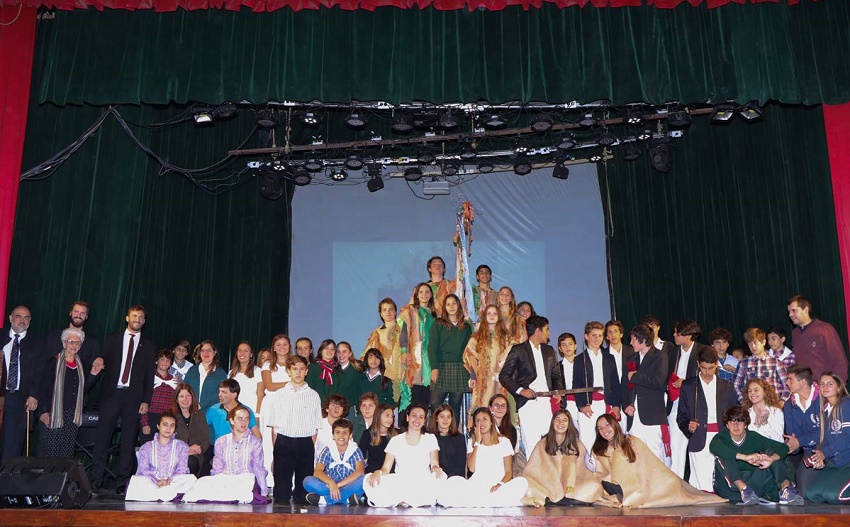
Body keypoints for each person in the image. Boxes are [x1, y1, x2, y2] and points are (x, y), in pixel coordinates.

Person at [589, 413, 726, 508]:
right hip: (613, 487)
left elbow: (648, 464)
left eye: (607, 425)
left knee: (673, 484)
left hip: (638, 485)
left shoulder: (631, 441)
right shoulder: (598, 449)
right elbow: (600, 472)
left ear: (614, 425)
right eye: (600, 428)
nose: (604, 430)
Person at [91, 305, 156, 494]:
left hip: (133, 399)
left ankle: (122, 484)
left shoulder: (149, 346)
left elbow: (150, 375)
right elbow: (102, 361)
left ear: (144, 321)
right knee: (103, 439)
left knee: (128, 441)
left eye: (141, 317)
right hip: (111, 395)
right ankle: (96, 481)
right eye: (134, 316)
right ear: (127, 318)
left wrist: (146, 400)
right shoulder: (112, 339)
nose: (137, 319)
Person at [710, 405, 803, 505]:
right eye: (732, 421)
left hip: (752, 488)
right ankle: (744, 490)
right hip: (728, 488)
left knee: (770, 453)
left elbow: (782, 447)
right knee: (724, 455)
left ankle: (786, 490)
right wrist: (745, 457)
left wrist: (770, 459)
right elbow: (714, 447)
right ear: (727, 425)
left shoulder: (752, 437)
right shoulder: (721, 438)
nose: (735, 425)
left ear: (745, 424)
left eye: (739, 421)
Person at [499, 315, 564, 456]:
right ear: (538, 331)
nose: (550, 333)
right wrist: (521, 390)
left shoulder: (549, 351)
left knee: (550, 444)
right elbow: (503, 376)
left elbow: (556, 376)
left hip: (547, 402)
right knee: (532, 447)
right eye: (547, 329)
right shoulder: (519, 350)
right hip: (528, 403)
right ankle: (533, 477)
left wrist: (557, 391)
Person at [676, 346, 739, 492]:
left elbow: (735, 413)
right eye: (703, 368)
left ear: (716, 364)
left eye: (711, 368)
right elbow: (681, 416)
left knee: (722, 478)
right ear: (698, 364)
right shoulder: (688, 386)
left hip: (722, 436)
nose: (707, 372)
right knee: (701, 485)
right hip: (698, 437)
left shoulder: (727, 387)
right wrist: (688, 426)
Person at [439, 407, 527, 507]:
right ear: (475, 424)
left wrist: (500, 484)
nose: (481, 423)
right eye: (478, 420)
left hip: (498, 486)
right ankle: (490, 501)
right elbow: (471, 468)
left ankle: (486, 501)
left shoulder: (504, 442)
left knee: (522, 482)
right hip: (477, 486)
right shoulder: (471, 442)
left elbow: (508, 472)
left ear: (491, 422)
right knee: (454, 481)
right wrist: (477, 442)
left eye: (484, 419)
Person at [264, 354, 322, 505]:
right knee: (281, 488)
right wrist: (277, 448)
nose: (298, 372)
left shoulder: (314, 396)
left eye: (302, 369)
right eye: (294, 369)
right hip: (283, 441)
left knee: (303, 490)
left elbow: (315, 428)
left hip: (305, 442)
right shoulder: (279, 395)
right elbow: (274, 427)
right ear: (288, 371)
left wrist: (309, 444)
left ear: (306, 371)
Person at [363, 403, 445, 507]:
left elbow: (435, 464)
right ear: (407, 417)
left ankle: (409, 500)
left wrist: (436, 468)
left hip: (423, 482)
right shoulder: (395, 440)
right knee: (372, 481)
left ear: (424, 421)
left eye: (421, 417)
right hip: (401, 482)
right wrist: (377, 473)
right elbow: (386, 469)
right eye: (414, 416)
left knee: (440, 478)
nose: (417, 420)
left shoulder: (430, 439)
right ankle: (407, 499)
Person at [37, 327, 103, 458]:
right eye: (70, 342)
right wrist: (44, 411)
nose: (74, 345)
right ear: (64, 343)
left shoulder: (81, 365)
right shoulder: (53, 362)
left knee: (66, 454)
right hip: (53, 414)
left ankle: (62, 478)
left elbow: (82, 390)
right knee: (49, 453)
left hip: (72, 416)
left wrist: (93, 375)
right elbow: (43, 388)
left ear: (80, 346)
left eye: (77, 343)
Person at [183, 405, 268, 504]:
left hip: (245, 479)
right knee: (200, 484)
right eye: (240, 419)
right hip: (225, 478)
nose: (244, 422)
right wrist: (214, 482)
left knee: (241, 492)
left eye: (247, 419)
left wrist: (264, 492)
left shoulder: (255, 442)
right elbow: (217, 468)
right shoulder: (221, 441)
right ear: (232, 420)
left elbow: (259, 468)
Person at [522, 409, 604, 507]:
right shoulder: (543, 443)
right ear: (553, 422)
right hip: (548, 485)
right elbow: (532, 470)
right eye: (557, 419)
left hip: (573, 486)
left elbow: (586, 468)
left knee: (594, 485)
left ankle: (565, 499)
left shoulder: (576, 444)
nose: (560, 423)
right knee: (526, 484)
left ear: (569, 424)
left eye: (565, 420)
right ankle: (565, 499)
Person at [666, 319, 712, 477]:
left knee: (697, 448)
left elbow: (709, 375)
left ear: (688, 335)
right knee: (675, 446)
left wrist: (686, 382)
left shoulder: (703, 350)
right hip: (674, 404)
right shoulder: (672, 351)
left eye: (677, 333)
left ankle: (698, 484)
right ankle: (676, 483)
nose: (674, 335)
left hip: (695, 405)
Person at [622, 324, 668, 463]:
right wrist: (626, 405)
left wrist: (636, 376)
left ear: (642, 340)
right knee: (634, 454)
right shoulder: (631, 358)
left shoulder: (660, 356)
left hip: (652, 415)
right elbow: (624, 386)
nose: (630, 343)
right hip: (633, 416)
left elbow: (659, 382)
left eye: (633, 340)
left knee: (654, 455)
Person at [2, 305, 43, 461]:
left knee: (11, 444)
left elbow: (40, 372)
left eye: (26, 317)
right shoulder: (1, 337)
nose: (22, 320)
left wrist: (34, 394)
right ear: (10, 318)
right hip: (1, 395)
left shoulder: (37, 342)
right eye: (18, 316)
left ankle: (5, 480)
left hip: (20, 399)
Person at [125, 412, 196, 502]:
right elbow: (143, 469)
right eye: (165, 425)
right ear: (158, 426)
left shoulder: (181, 446)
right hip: (152, 483)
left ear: (175, 429)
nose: (168, 428)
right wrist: (157, 481)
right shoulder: (147, 447)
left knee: (190, 479)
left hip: (173, 482)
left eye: (172, 425)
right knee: (137, 481)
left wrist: (168, 481)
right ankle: (170, 496)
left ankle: (157, 496)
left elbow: (182, 469)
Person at [573, 321, 621, 452]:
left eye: (600, 335)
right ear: (586, 336)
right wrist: (582, 405)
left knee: (609, 442)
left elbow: (615, 384)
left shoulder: (609, 358)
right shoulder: (579, 359)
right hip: (588, 407)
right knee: (587, 442)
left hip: (606, 404)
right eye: (594, 335)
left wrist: (616, 405)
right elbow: (576, 385)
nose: (597, 339)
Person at [805, 372, 850, 503]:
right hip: (835, 462)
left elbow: (847, 438)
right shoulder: (825, 409)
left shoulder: (846, 404)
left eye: (830, 384)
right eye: (822, 384)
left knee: (833, 496)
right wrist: (821, 459)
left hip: (848, 461)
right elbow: (825, 439)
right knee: (813, 494)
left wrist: (825, 453)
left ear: (839, 387)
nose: (825, 387)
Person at [428, 294, 473, 417]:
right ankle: (435, 434)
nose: (451, 306)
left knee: (455, 405)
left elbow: (470, 350)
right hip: (441, 367)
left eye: (454, 303)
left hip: (459, 368)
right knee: (434, 403)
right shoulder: (438, 324)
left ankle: (453, 435)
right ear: (444, 307)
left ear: (459, 305)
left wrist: (470, 371)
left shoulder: (466, 327)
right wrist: (434, 368)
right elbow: (432, 347)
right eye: (448, 304)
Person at [304, 418, 366, 505]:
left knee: (365, 479)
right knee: (307, 481)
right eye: (337, 432)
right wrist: (331, 483)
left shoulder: (355, 450)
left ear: (350, 435)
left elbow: (360, 472)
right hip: (329, 485)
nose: (341, 436)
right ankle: (346, 498)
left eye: (345, 432)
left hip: (348, 484)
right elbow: (317, 472)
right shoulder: (328, 449)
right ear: (333, 435)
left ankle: (324, 500)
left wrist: (337, 486)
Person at [464, 305, 511, 419]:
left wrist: (501, 369)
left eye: (494, 313)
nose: (491, 316)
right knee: (481, 406)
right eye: (489, 313)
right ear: (484, 317)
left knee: (498, 404)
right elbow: (469, 353)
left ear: (498, 316)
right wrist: (474, 376)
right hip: (482, 379)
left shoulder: (504, 337)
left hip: (499, 378)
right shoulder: (477, 336)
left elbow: (509, 354)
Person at [787, 295, 848, 381]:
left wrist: (838, 385)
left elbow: (840, 361)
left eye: (794, 311)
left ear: (806, 310)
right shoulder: (795, 333)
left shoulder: (825, 329)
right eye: (789, 311)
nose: (790, 315)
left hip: (824, 387)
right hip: (805, 389)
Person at [258, 334, 291, 491]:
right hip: (271, 404)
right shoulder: (267, 365)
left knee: (286, 441)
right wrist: (291, 383)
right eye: (278, 344)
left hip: (289, 404)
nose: (282, 347)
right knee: (268, 441)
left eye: (285, 344)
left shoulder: (294, 364)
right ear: (274, 347)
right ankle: (269, 481)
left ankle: (286, 480)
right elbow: (269, 386)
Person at [782, 365, 820, 496]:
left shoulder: (823, 399)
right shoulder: (789, 405)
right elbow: (794, 437)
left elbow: (826, 433)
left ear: (803, 381)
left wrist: (799, 441)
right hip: (809, 452)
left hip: (830, 450)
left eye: (790, 379)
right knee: (804, 492)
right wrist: (792, 445)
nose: (787, 383)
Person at [398, 283, 437, 411]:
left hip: (429, 359)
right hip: (413, 356)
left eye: (427, 292)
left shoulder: (435, 315)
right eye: (421, 292)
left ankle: (423, 426)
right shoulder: (409, 311)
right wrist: (404, 351)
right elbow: (404, 332)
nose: (424, 295)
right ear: (416, 294)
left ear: (431, 295)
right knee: (413, 392)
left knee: (426, 395)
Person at [43, 301, 102, 382]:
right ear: (70, 313)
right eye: (76, 312)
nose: (78, 315)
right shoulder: (53, 335)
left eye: (82, 313)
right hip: (50, 389)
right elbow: (42, 364)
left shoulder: (93, 343)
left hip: (79, 392)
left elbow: (92, 373)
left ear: (86, 316)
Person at [733, 327, 790, 402]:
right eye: (750, 344)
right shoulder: (743, 363)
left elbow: (787, 385)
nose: (753, 346)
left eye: (756, 343)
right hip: (752, 405)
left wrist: (782, 401)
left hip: (772, 404)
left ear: (763, 342)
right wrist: (742, 401)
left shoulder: (776, 362)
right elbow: (736, 385)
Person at [364, 299, 403, 404]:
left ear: (395, 311)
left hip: (403, 373)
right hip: (385, 375)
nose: (388, 312)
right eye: (384, 310)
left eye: (391, 309)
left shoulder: (404, 329)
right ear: (381, 314)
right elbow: (367, 354)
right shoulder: (376, 333)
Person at [206, 379, 261, 446]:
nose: (219, 395)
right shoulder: (213, 410)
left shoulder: (246, 411)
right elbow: (200, 429)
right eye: (219, 391)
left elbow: (257, 437)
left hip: (241, 452)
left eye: (224, 392)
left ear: (234, 395)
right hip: (220, 453)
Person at [172, 383, 211, 477]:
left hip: (196, 454)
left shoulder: (200, 415)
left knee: (192, 462)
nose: (185, 399)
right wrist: (186, 450)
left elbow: (206, 439)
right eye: (181, 396)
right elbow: (167, 440)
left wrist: (199, 449)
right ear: (177, 399)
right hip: (175, 455)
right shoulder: (170, 416)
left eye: (188, 396)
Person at [140, 349, 177, 444]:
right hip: (150, 417)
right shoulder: (148, 378)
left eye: (168, 360)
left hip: (166, 419)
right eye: (162, 359)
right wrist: (144, 423)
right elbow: (141, 402)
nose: (165, 362)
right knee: (147, 448)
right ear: (156, 361)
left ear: (170, 364)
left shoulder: (174, 381)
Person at [604, 320, 635, 432]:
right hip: (612, 399)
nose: (613, 335)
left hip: (630, 398)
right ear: (606, 336)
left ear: (621, 334)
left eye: (616, 331)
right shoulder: (602, 355)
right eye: (610, 332)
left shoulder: (632, 352)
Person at [184, 340, 227, 411]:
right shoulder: (192, 370)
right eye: (203, 350)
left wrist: (201, 405)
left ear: (214, 352)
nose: (206, 353)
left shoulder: (221, 373)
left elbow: (221, 394)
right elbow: (185, 389)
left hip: (212, 413)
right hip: (191, 411)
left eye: (209, 350)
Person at [358, 403, 398, 475]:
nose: (390, 419)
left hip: (391, 474)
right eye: (387, 415)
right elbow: (360, 457)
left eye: (392, 416)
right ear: (378, 416)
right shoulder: (367, 434)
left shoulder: (397, 434)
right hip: (372, 473)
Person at [428, 403, 467, 478]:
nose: (445, 420)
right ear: (436, 418)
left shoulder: (460, 438)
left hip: (454, 479)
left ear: (452, 419)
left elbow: (460, 466)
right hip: (435, 478)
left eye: (448, 417)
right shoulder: (429, 438)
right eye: (442, 416)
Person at [742, 378, 785, 442]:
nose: (752, 393)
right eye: (749, 391)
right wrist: (756, 425)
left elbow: (779, 440)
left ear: (765, 392)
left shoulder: (776, 412)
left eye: (756, 390)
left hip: (772, 450)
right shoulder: (745, 413)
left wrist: (765, 423)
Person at [315, 394, 351, 464]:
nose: (336, 408)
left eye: (340, 406)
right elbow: (314, 449)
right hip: (320, 464)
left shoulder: (348, 425)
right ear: (327, 408)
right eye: (333, 405)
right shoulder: (318, 424)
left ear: (343, 410)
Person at [228, 341, 263, 415]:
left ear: (251, 355)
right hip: (234, 413)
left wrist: (258, 414)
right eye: (240, 350)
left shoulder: (258, 371)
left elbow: (260, 395)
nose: (242, 353)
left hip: (251, 413)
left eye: (246, 351)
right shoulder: (231, 373)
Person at [333, 341, 362, 417]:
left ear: (350, 353)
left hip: (352, 409)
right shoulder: (334, 370)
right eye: (338, 352)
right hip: (337, 409)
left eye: (344, 351)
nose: (341, 355)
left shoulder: (358, 368)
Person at [556, 333, 580, 423]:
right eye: (564, 345)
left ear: (575, 346)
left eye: (570, 344)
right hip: (567, 404)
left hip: (584, 403)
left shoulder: (585, 364)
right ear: (560, 348)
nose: (567, 347)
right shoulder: (557, 367)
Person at [306, 339, 338, 403]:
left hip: (334, 406)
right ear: (321, 350)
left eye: (332, 349)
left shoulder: (338, 369)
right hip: (315, 404)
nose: (329, 351)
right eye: (326, 348)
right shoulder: (312, 368)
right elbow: (309, 389)